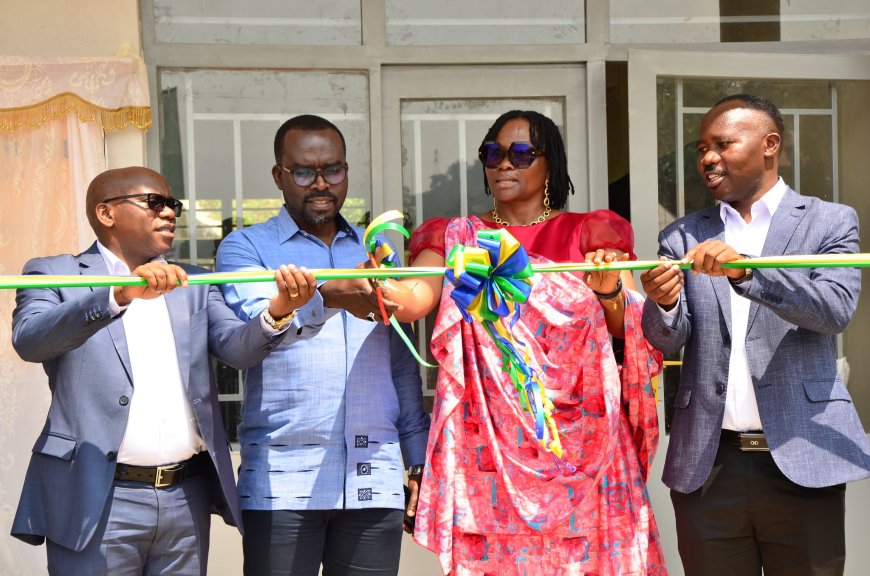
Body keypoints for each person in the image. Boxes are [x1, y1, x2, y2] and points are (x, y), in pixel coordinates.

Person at [379, 110, 666, 575]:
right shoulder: (455, 237)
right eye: (493, 154)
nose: (504, 164)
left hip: (584, 444)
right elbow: (414, 299)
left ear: (550, 162)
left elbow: (627, 323)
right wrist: (380, 283)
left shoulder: (591, 233)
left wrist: (609, 289)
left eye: (521, 154)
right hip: (489, 446)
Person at [10, 166, 316, 575]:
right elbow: (31, 340)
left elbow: (236, 349)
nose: (169, 212)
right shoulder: (54, 273)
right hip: (96, 498)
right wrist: (117, 294)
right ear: (106, 213)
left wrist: (279, 311)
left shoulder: (194, 282)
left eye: (173, 205)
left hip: (184, 497)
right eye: (154, 202)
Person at [640, 93, 870, 576]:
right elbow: (666, 340)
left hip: (804, 456)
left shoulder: (829, 221)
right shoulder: (682, 235)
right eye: (702, 148)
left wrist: (748, 273)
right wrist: (663, 303)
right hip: (709, 467)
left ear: (770, 145)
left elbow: (834, 311)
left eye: (722, 144)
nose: (707, 158)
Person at [215, 114, 430, 576]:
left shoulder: (376, 253)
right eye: (303, 172)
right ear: (279, 176)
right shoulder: (246, 248)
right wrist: (327, 296)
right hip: (284, 480)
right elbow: (254, 336)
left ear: (346, 171)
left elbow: (400, 363)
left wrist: (418, 459)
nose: (320, 184)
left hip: (373, 474)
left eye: (332, 170)